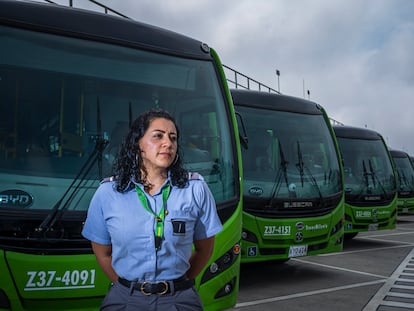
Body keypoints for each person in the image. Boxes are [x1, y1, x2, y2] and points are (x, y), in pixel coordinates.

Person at [82, 108, 222, 310]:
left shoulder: (195, 189)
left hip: (178, 300)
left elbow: (204, 249)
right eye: (158, 136)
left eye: (173, 138)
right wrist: (130, 289)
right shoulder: (107, 193)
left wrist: (177, 286)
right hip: (126, 300)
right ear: (137, 144)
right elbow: (103, 254)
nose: (168, 143)